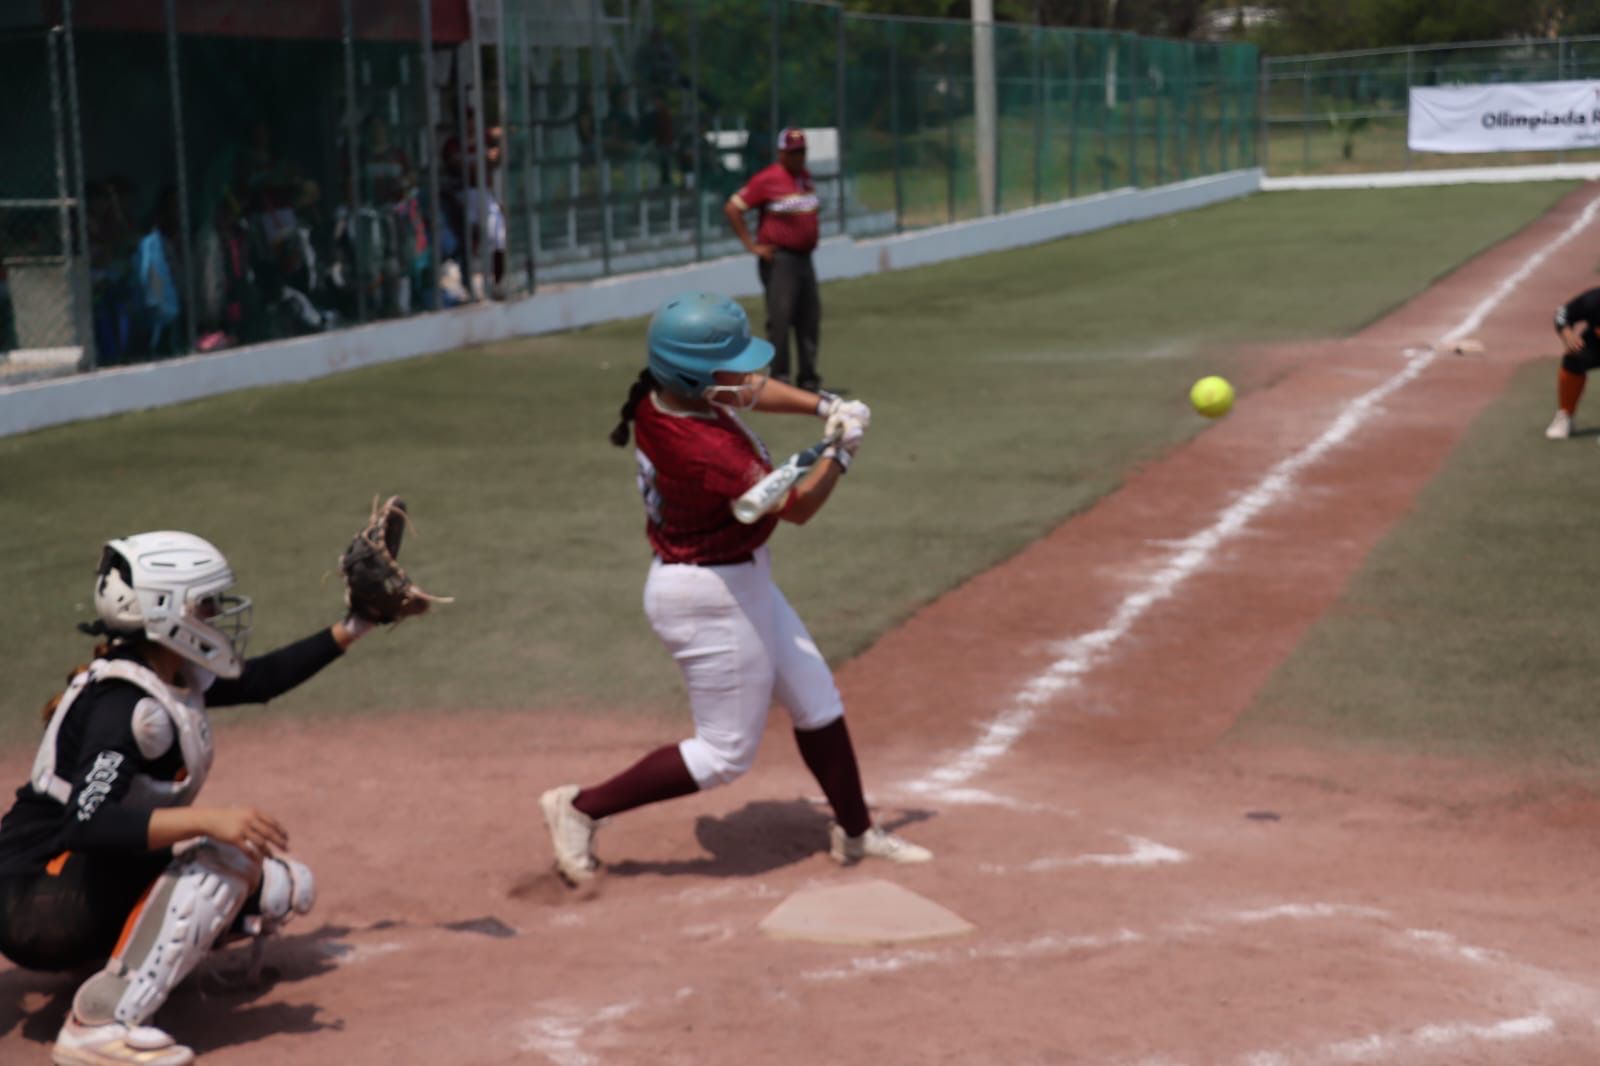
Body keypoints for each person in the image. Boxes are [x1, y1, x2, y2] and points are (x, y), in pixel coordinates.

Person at [538, 292, 930, 886]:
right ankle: (581, 808)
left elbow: (746, 389)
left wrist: (826, 405)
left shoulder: (665, 395)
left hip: (736, 577)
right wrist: (843, 453)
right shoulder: (706, 449)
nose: (746, 377)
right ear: (694, 377)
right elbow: (797, 507)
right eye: (730, 366)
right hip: (706, 597)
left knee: (817, 700)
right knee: (723, 755)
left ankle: (855, 832)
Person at [0, 531, 408, 1065]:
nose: (217, 614)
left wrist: (358, 624)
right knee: (224, 858)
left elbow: (262, 679)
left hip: (63, 883)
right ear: (163, 609)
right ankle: (98, 1026)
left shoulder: (167, 675)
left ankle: (119, 965)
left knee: (275, 889)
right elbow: (88, 825)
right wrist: (209, 821)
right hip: (38, 901)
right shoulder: (124, 707)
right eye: (205, 604)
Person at [723, 128, 824, 391]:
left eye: (802, 151)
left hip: (805, 258)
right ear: (781, 153)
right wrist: (752, 246)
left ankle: (808, 378)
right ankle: (780, 379)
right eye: (793, 152)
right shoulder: (767, 179)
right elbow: (733, 208)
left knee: (809, 318)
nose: (799, 157)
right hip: (781, 260)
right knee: (781, 318)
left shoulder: (805, 178)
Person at [1546, 285, 1600, 440]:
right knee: (1574, 357)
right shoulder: (1594, 300)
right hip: (1597, 344)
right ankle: (1565, 415)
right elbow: (1563, 314)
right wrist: (1566, 332)